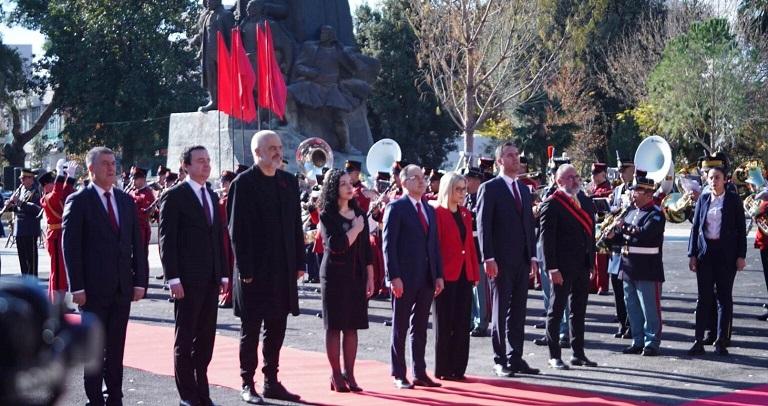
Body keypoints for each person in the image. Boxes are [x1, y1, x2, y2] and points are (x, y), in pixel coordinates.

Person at [63, 146, 149, 406]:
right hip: (92, 289)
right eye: (105, 164)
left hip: (122, 287)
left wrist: (140, 281)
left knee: (116, 346)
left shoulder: (125, 200)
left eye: (113, 163)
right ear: (91, 169)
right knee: (94, 347)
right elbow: (71, 247)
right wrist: (76, 286)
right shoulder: (79, 201)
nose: (112, 168)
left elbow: (137, 243)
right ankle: (94, 397)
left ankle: (115, 395)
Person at [229, 130, 304, 403]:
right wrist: (245, 271)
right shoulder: (243, 184)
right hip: (253, 273)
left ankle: (271, 380)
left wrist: (299, 262)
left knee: (276, 328)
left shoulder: (288, 182)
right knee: (251, 330)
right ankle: (247, 382)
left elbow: (295, 225)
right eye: (271, 147)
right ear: (257, 152)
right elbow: (236, 231)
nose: (277, 151)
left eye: (279, 147)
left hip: (282, 271)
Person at [159, 146, 228, 405]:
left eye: (208, 160)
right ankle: (187, 394)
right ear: (185, 165)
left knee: (206, 338)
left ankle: (202, 388)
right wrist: (173, 278)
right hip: (187, 280)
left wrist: (222, 273)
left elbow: (217, 236)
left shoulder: (210, 194)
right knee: (185, 338)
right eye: (200, 161)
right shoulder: (174, 195)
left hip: (210, 278)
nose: (206, 165)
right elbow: (168, 240)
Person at [477, 142, 540, 377]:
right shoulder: (490, 188)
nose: (516, 159)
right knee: (500, 310)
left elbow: (528, 226)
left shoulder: (524, 190)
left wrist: (533, 256)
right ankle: (500, 358)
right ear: (500, 161)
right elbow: (483, 226)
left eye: (517, 155)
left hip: (522, 260)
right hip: (500, 260)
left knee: (519, 310)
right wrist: (488, 257)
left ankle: (516, 356)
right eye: (510, 155)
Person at [383, 164, 445, 389]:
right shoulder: (396, 208)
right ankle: (398, 373)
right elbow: (389, 246)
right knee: (400, 326)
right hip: (404, 277)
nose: (422, 181)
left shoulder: (429, 209)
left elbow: (434, 245)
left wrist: (438, 274)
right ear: (404, 182)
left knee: (420, 326)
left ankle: (419, 371)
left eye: (423, 177)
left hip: (427, 277)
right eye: (416, 178)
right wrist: (393, 276)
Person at [318, 168, 374, 392]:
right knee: (334, 327)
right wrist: (355, 229)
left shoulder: (360, 213)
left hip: (357, 276)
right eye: (343, 184)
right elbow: (335, 246)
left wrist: (370, 277)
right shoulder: (327, 215)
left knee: (352, 328)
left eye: (350, 183)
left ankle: (349, 373)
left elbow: (367, 252)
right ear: (334, 188)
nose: (350, 187)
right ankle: (335, 375)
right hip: (334, 276)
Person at [539, 164, 597, 370]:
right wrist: (552, 268)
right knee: (556, 310)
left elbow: (590, 235)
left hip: (581, 265)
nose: (575, 180)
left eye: (577, 176)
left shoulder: (586, 202)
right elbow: (546, 241)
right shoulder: (552, 204)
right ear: (559, 181)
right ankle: (554, 355)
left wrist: (591, 262)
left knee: (578, 311)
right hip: (561, 267)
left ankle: (578, 353)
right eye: (570, 177)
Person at [605, 170, 666, 357]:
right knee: (632, 307)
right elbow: (621, 239)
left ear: (648, 193)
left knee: (649, 308)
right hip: (628, 266)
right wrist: (611, 235)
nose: (632, 194)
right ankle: (637, 340)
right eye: (632, 190)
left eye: (636, 191)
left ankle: (651, 342)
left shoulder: (655, 214)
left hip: (647, 267)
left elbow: (645, 234)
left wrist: (623, 226)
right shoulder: (630, 211)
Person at [687, 164, 747, 356]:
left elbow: (741, 231)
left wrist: (741, 256)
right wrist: (692, 254)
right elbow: (695, 228)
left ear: (725, 179)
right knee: (703, 298)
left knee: (724, 298)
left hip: (726, 255)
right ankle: (698, 340)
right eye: (711, 178)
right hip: (706, 254)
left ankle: (721, 340)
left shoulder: (733, 200)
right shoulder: (704, 199)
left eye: (717, 177)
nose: (713, 181)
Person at [433, 172, 479, 380]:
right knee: (444, 323)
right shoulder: (437, 213)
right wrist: (436, 275)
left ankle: (459, 367)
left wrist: (474, 272)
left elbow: (469, 246)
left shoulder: (466, 214)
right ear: (448, 189)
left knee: (462, 322)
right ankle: (443, 368)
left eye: (464, 188)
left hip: (464, 275)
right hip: (446, 275)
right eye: (458, 189)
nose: (462, 193)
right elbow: (435, 248)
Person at [42, 160, 78, 302]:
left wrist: (69, 177)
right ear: (46, 186)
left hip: (61, 235)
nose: (56, 183)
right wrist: (60, 174)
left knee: (60, 271)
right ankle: (56, 303)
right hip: (55, 237)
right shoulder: (47, 198)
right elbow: (58, 193)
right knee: (57, 272)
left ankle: (56, 301)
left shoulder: (56, 196)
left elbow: (66, 193)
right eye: (53, 181)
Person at [607, 158, 635, 338]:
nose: (622, 173)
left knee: (629, 290)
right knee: (617, 287)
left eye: (625, 170)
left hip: (629, 242)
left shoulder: (638, 190)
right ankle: (621, 322)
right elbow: (612, 212)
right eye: (621, 170)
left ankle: (631, 324)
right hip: (615, 245)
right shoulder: (617, 190)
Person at [464, 168, 491, 337]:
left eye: (468, 179)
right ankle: (472, 319)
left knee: (479, 288)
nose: (465, 182)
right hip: (468, 247)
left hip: (479, 247)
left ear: (476, 181)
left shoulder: (483, 198)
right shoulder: (466, 198)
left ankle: (481, 322)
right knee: (469, 288)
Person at [5, 168, 42, 277]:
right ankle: (25, 282)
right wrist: (11, 207)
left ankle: (33, 285)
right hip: (19, 229)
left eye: (24, 178)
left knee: (31, 261)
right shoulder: (20, 190)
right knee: (23, 260)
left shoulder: (36, 191)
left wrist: (19, 202)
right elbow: (19, 209)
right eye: (21, 178)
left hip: (30, 229)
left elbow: (36, 209)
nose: (21, 181)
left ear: (31, 178)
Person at [588, 162, 613, 295]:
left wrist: (591, 197)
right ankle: (592, 283)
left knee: (601, 258)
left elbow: (605, 196)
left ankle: (602, 285)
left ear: (603, 174)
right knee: (593, 257)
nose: (593, 177)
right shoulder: (593, 187)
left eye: (596, 174)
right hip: (593, 225)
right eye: (593, 174)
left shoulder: (607, 187)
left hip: (603, 226)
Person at [218, 169, 238, 308]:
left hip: (228, 235)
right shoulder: (224, 197)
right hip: (222, 235)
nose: (222, 184)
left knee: (229, 266)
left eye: (225, 182)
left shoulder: (230, 198)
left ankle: (230, 295)